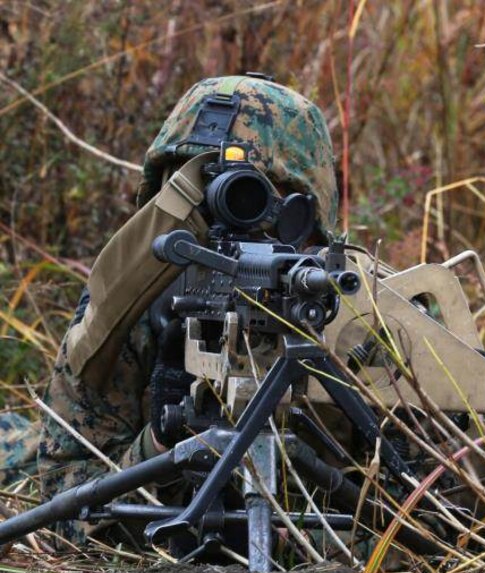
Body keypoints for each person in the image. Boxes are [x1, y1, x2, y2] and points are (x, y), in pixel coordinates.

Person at [18, 75, 338, 536]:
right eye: (204, 200)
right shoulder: (128, 312)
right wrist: (163, 441)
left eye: (258, 200)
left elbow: (435, 507)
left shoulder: (352, 313)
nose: (233, 234)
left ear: (308, 219)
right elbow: (62, 510)